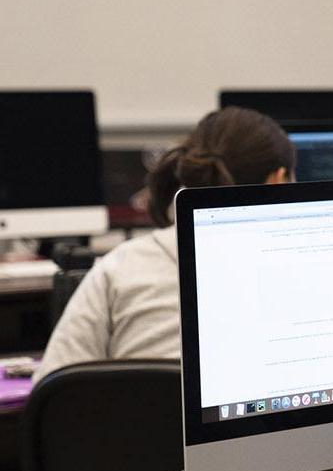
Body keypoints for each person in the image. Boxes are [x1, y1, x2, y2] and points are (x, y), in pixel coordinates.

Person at [34, 107, 295, 384]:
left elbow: (51, 385)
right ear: (278, 179)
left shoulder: (121, 266)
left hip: (131, 426)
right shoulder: (299, 266)